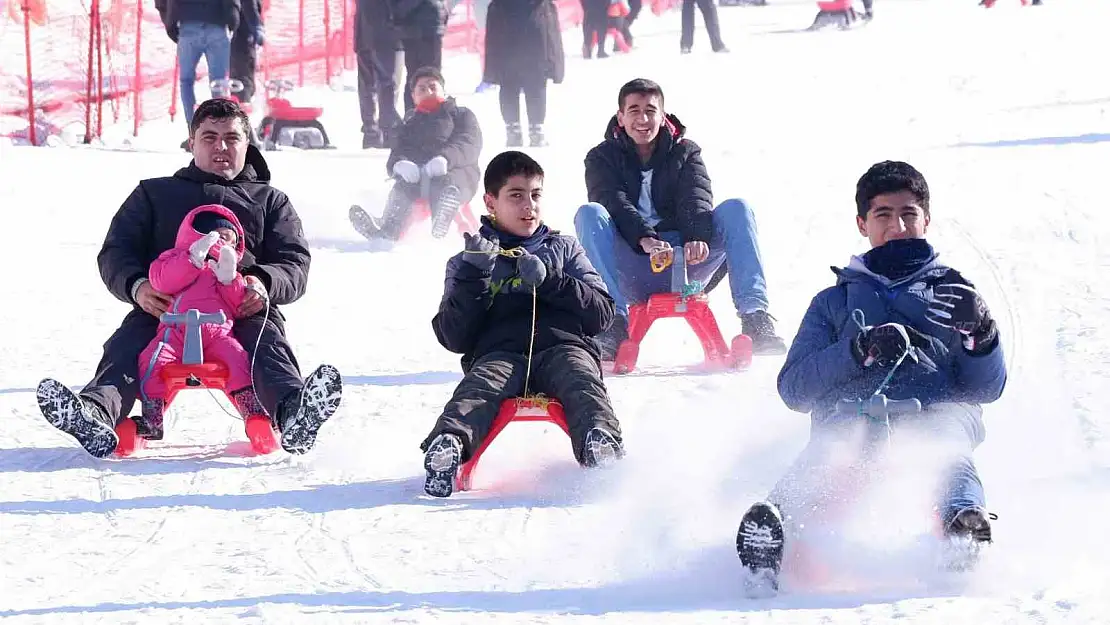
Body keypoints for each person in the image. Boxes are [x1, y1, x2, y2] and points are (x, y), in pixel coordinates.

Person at [734, 161, 1007, 586]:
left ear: (926, 220)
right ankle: (772, 531)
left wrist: (981, 335)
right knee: (829, 453)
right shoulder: (833, 302)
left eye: (908, 214)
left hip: (936, 411)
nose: (897, 226)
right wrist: (857, 351)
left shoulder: (955, 294)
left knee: (948, 452)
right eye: (883, 215)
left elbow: (986, 388)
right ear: (863, 224)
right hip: (854, 413)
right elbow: (794, 389)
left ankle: (963, 526)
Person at [35, 98, 343, 458]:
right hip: (165, 308)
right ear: (191, 141)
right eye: (209, 137)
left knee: (266, 342)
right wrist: (138, 286)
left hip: (240, 307)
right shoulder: (154, 194)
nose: (221, 147)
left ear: (248, 143)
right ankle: (95, 413)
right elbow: (116, 251)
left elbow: (294, 262)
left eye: (231, 138)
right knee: (128, 344)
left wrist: (263, 283)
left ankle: (293, 412)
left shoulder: (269, 201)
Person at [419, 151, 624, 498]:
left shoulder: (564, 249)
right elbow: (453, 336)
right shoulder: (467, 262)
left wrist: (552, 282)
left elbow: (602, 313)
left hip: (564, 347)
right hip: (500, 353)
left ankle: (600, 445)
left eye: (535, 195)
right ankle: (448, 447)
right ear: (490, 201)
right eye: (516, 195)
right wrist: (474, 275)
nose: (528, 205)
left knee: (580, 380)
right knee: (478, 390)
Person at [574, 78, 786, 359]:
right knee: (590, 214)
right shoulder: (601, 157)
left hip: (687, 261)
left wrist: (696, 236)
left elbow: (695, 196)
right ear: (620, 117)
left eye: (650, 110)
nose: (643, 119)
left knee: (737, 208)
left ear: (663, 116)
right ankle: (611, 323)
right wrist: (645, 238)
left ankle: (755, 318)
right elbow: (612, 201)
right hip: (634, 263)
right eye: (634, 110)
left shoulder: (686, 151)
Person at [134, 205, 260, 441]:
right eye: (218, 235)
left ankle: (253, 412)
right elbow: (163, 282)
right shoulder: (171, 258)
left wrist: (228, 279)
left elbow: (237, 306)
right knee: (153, 358)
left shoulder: (229, 271)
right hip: (176, 332)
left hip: (217, 333)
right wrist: (192, 259)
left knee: (237, 357)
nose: (223, 242)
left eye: (229, 240)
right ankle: (152, 417)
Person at [349, 67, 482, 241]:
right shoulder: (409, 123)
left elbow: (469, 142)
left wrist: (445, 159)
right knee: (402, 188)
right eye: (422, 88)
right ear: (413, 96)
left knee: (445, 186)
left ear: (444, 90)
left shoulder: (461, 114)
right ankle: (387, 231)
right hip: (419, 178)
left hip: (456, 173)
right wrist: (400, 164)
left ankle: (441, 218)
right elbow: (398, 151)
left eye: (433, 87)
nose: (428, 91)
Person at [482, 0, 565, 147]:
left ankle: (515, 132)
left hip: (507, 36)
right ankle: (535, 131)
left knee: (509, 84)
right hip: (534, 39)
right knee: (535, 84)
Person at [155, 0, 238, 147]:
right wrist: (233, 19)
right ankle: (219, 133)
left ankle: (195, 133)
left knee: (186, 81)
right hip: (217, 24)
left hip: (188, 24)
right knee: (219, 84)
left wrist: (170, 23)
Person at [355, 0, 404, 148]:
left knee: (367, 82)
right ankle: (387, 129)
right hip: (385, 31)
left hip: (364, 30)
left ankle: (371, 131)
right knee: (386, 81)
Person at [390, 0, 448, 114]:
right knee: (418, 78)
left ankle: (434, 117)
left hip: (430, 25)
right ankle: (414, 118)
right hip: (415, 26)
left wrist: (442, 12)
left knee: (431, 77)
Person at [229, 0, 263, 103]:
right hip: (242, 36)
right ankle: (242, 105)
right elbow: (250, 8)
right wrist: (257, 29)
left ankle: (242, 104)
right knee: (242, 76)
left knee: (240, 75)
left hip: (239, 36)